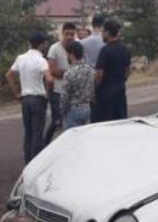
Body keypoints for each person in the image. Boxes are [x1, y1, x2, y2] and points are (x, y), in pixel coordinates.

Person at [5, 32, 53, 164]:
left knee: (28, 131)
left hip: (25, 99)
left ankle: (27, 160)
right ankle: (36, 161)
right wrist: (47, 94)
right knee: (38, 131)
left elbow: (9, 75)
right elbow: (49, 79)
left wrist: (16, 93)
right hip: (38, 98)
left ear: (30, 43)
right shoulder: (41, 60)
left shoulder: (20, 58)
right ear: (42, 44)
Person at [92, 19, 131, 123]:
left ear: (108, 33)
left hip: (105, 96)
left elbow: (99, 75)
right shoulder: (125, 49)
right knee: (120, 124)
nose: (102, 34)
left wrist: (94, 90)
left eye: (103, 32)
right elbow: (127, 72)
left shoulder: (105, 50)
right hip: (120, 94)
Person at [44, 22, 77, 145]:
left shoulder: (76, 47)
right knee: (56, 121)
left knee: (70, 120)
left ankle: (66, 145)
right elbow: (52, 70)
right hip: (57, 91)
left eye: (72, 34)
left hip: (72, 92)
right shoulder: (54, 48)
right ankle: (45, 144)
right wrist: (71, 73)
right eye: (67, 34)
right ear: (62, 34)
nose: (69, 37)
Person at [61, 41, 94, 129]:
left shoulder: (69, 73)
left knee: (72, 139)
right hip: (87, 108)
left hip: (73, 110)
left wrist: (63, 112)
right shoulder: (90, 69)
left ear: (71, 55)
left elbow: (64, 97)